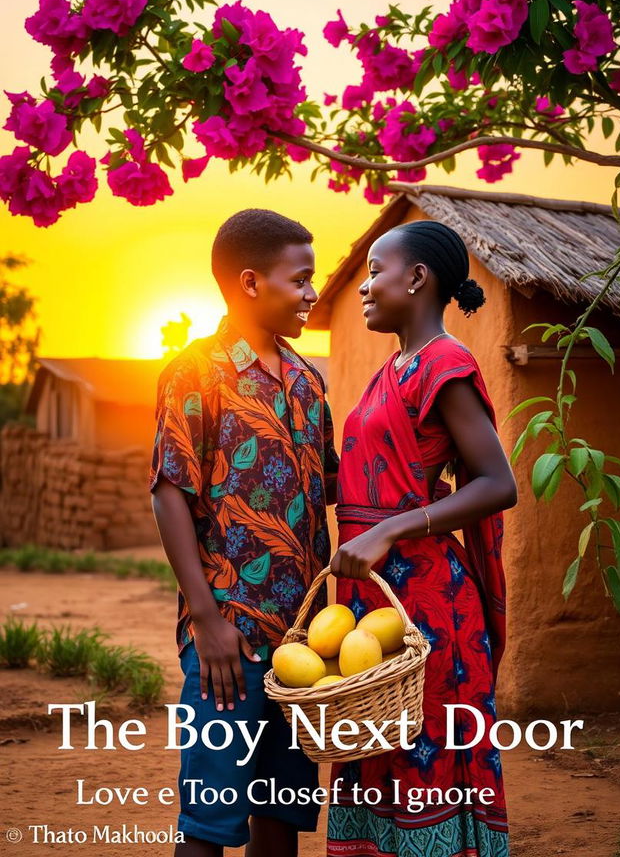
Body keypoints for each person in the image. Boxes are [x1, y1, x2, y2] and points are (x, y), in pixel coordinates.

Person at [150, 209, 339, 857]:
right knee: (210, 823)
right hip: (229, 636)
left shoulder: (311, 383)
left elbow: (329, 493)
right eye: (302, 278)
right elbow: (171, 490)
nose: (315, 292)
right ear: (252, 282)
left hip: (303, 640)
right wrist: (206, 619)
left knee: (279, 815)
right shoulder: (195, 371)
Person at [327, 221, 517, 857]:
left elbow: (497, 483)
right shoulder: (395, 368)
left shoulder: (445, 363)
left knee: (423, 753)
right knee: (377, 748)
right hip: (378, 597)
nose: (364, 289)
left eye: (376, 271)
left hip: (427, 602)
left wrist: (387, 529)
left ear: (416, 278)